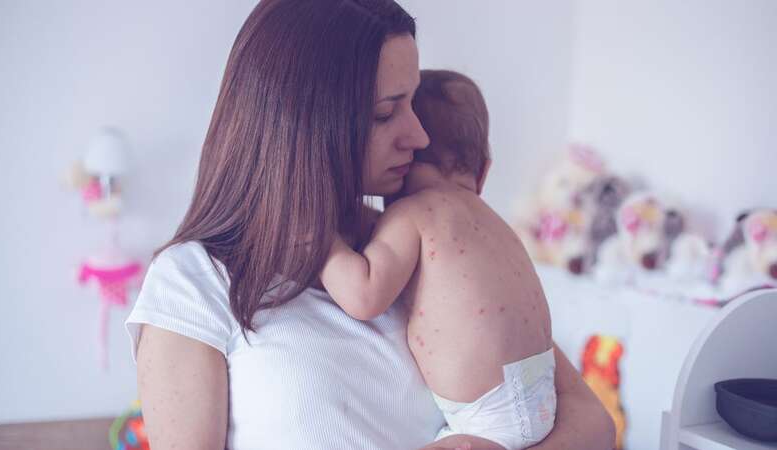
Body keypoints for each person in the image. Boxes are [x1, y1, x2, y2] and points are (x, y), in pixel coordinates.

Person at [125, 1, 615, 449]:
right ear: (305, 124)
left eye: (414, 102)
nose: (419, 134)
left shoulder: (425, 253)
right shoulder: (192, 284)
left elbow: (590, 423)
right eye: (386, 113)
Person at [320, 69, 556, 450]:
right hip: (544, 399)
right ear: (483, 170)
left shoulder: (414, 213)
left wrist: (322, 239)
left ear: (404, 157)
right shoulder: (495, 223)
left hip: (483, 422)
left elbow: (363, 295)